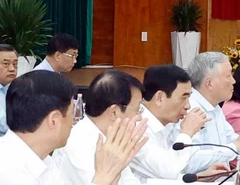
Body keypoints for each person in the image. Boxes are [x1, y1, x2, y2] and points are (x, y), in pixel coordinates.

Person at [0, 71, 144, 185]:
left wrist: (112, 171)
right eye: (72, 114)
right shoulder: (9, 170)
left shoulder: (42, 159)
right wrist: (104, 176)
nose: (73, 122)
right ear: (54, 120)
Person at [59, 70, 145, 185]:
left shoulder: (110, 138)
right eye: (137, 109)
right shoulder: (79, 144)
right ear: (114, 112)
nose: (139, 117)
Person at [132, 64, 216, 182]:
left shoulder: (167, 124)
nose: (188, 106)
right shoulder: (137, 127)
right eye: (183, 98)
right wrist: (187, 133)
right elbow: (169, 171)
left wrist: (199, 178)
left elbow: (162, 175)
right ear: (160, 97)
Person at [0, 44, 20, 135]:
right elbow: (4, 125)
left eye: (15, 64)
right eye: (6, 64)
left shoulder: (18, 88)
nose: (12, 69)